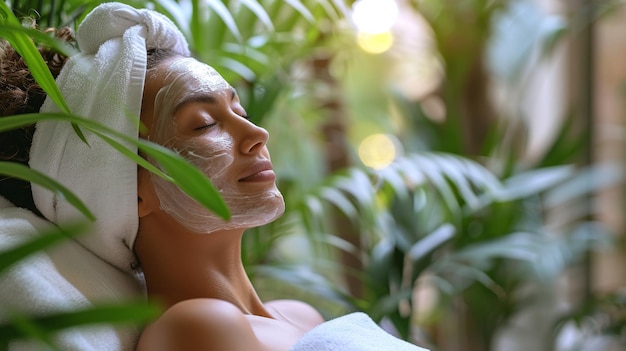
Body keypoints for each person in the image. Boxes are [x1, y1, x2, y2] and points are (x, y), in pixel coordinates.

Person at [1, 3, 428, 350]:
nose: (256, 133)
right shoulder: (196, 329)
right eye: (205, 124)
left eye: (239, 112)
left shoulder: (301, 316)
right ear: (126, 195)